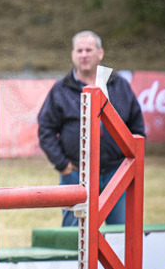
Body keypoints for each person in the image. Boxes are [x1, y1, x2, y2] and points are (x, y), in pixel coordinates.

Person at [37, 30, 145, 226]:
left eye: (89, 49)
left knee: (119, 237)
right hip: (76, 174)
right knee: (72, 237)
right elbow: (45, 129)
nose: (84, 55)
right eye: (79, 51)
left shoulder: (119, 85)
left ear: (100, 53)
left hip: (116, 174)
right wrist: (63, 165)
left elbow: (137, 126)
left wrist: (128, 164)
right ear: (73, 55)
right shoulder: (61, 90)